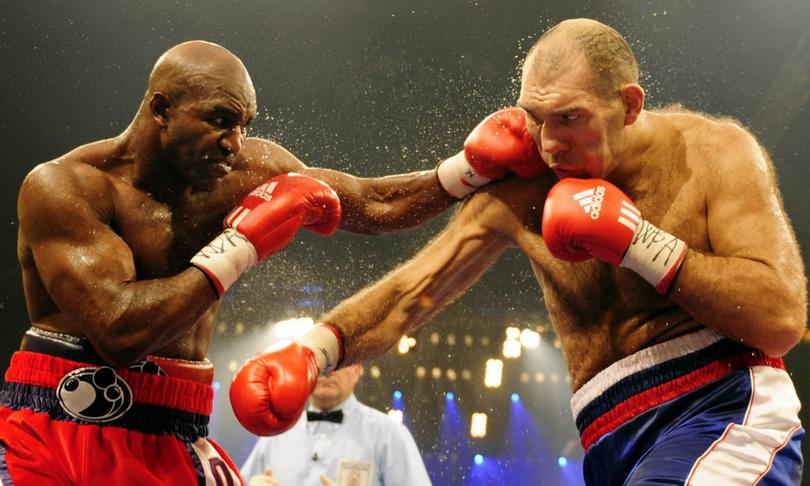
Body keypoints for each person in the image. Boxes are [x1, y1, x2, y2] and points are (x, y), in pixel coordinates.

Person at [231, 19, 807, 485]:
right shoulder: (521, 189)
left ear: (628, 105)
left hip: (721, 405)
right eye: (536, 117)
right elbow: (412, 291)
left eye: (571, 118)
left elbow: (780, 320)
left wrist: (641, 244)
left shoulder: (715, 152)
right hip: (608, 434)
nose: (551, 142)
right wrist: (313, 352)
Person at [0, 40, 543, 485]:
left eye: (244, 124)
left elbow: (373, 205)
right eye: (219, 120)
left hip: (175, 424)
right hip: (57, 422)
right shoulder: (65, 187)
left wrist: (467, 170)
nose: (234, 143)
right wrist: (242, 244)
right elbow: (119, 330)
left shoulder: (250, 169)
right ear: (160, 109)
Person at [240, 363, 431, 486]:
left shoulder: (389, 434)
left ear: (357, 370)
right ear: (306, 372)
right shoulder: (277, 433)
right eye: (320, 363)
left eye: (339, 362)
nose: (328, 371)